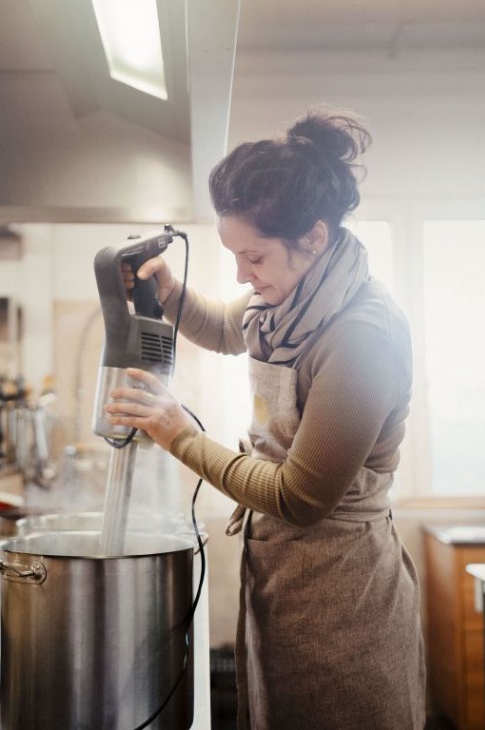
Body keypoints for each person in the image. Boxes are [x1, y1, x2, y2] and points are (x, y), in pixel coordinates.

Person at [105, 109, 425, 729]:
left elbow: (301, 495)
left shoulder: (361, 336)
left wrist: (179, 435)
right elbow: (227, 327)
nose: (241, 275)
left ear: (314, 236)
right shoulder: (291, 298)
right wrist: (170, 292)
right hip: (284, 578)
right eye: (233, 255)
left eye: (253, 257)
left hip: (343, 596)